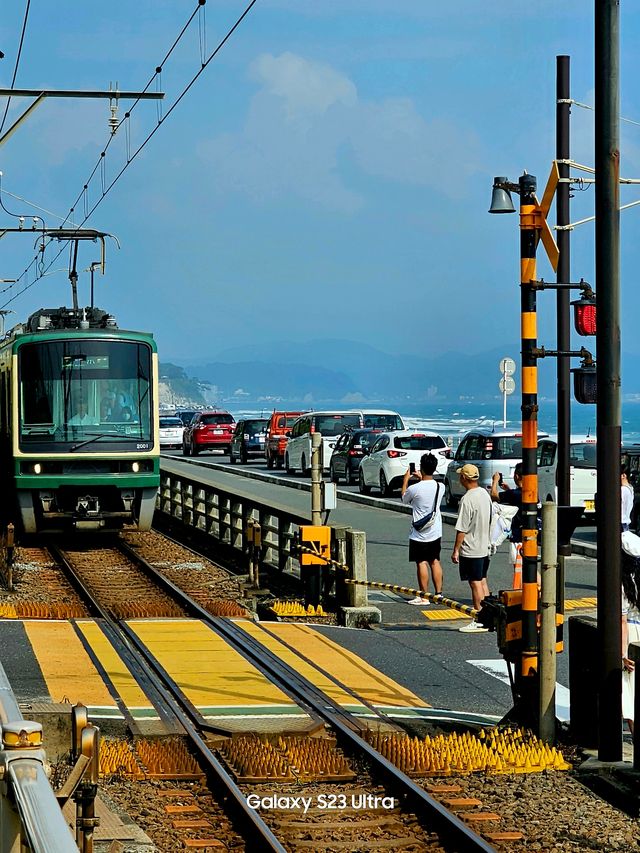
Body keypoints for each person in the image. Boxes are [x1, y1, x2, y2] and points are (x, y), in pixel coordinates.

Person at [452, 463, 492, 633]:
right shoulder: (484, 493)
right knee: (482, 580)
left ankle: (479, 618)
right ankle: (490, 616)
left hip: (471, 547)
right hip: (485, 545)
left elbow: (462, 528)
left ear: (464, 478)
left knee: (475, 583)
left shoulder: (467, 499)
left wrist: (455, 549)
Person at [401, 453, 444, 605]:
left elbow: (404, 498)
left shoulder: (414, 488)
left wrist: (406, 480)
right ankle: (439, 594)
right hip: (435, 530)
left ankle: (423, 596)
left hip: (419, 532)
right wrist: (422, 477)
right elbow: (428, 487)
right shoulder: (441, 486)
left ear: (421, 467)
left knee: (421, 562)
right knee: (435, 561)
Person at [491, 463, 523, 588]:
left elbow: (494, 496)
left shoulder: (515, 494)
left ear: (517, 476)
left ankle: (530, 594)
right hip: (529, 533)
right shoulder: (529, 492)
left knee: (520, 567)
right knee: (527, 567)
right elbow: (515, 497)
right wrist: (508, 490)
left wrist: (495, 481)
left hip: (517, 537)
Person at [621, 548, 640, 735]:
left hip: (633, 638)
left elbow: (622, 622)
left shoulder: (623, 583)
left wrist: (623, 655)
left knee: (630, 690)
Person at [622, 468, 634, 532]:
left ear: (624, 475)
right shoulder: (630, 487)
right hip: (626, 523)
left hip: (621, 522)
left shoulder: (622, 490)